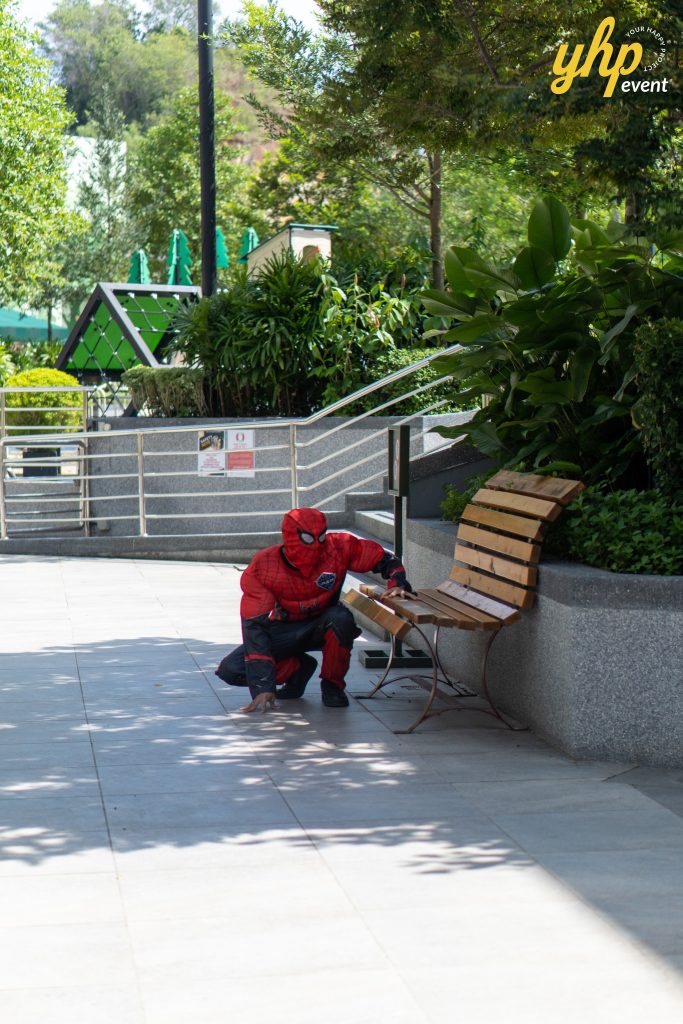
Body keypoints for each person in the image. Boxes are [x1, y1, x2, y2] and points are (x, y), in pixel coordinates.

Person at [216, 507, 415, 713]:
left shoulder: (338, 548)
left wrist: (398, 583)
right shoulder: (264, 566)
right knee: (231, 670)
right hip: (284, 630)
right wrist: (263, 686)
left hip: (323, 624)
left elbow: (384, 559)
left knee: (341, 619)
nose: (316, 545)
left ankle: (333, 686)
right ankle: (298, 670)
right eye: (308, 539)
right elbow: (254, 626)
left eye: (321, 536)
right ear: (291, 536)